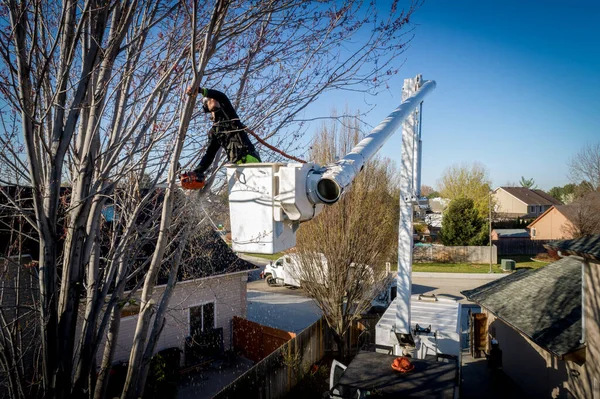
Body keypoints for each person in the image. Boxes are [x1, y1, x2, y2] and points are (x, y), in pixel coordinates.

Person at [185, 87, 261, 183]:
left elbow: (221, 96)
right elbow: (209, 155)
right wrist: (197, 171)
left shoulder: (230, 116)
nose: (213, 100)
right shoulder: (215, 131)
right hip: (235, 165)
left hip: (249, 158)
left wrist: (201, 90)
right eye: (210, 100)